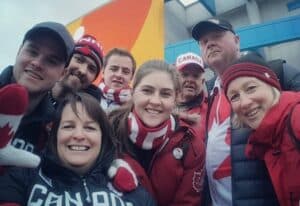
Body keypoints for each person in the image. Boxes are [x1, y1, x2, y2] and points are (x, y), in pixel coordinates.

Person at [191, 17, 300, 206]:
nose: (209, 44)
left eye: (216, 36)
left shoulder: (277, 71)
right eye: (204, 42)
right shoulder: (207, 91)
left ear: (237, 41)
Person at [0, 92, 156, 206]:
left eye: (89, 128)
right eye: (68, 126)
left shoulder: (131, 189)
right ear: (55, 135)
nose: (79, 135)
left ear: (103, 137)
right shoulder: (23, 177)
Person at [109, 60, 205, 206]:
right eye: (147, 91)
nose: (155, 101)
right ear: (133, 92)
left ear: (176, 98)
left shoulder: (191, 144)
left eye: (165, 94)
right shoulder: (107, 133)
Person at [221, 53, 300, 206]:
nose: (244, 103)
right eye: (234, 97)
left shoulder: (296, 116)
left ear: (272, 86)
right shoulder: (267, 139)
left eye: (251, 88)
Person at [0, 21, 74, 155]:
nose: (37, 63)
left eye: (52, 61)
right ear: (19, 51)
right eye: (32, 52)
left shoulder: (55, 131)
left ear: (62, 74)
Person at [50, 34, 104, 105]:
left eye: (91, 69)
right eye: (79, 60)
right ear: (67, 60)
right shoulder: (36, 89)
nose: (83, 71)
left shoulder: (90, 114)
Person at [174, 52, 208, 141]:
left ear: (202, 81)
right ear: (175, 78)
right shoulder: (161, 103)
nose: (190, 80)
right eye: (185, 75)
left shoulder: (211, 109)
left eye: (196, 76)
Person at [99, 48, 136, 112]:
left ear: (131, 77)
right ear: (103, 71)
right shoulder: (88, 97)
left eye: (125, 72)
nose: (119, 75)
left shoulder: (135, 107)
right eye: (114, 69)